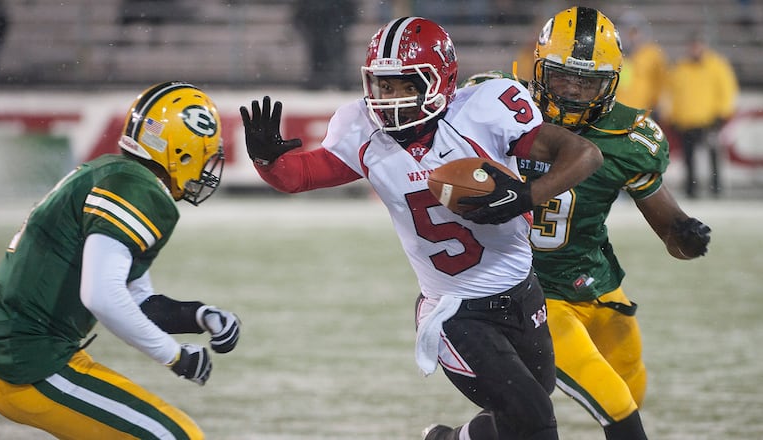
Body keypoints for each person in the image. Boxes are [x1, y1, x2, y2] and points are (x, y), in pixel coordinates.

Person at [240, 16, 603, 440]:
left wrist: (525, 196)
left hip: (522, 292)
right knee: (536, 422)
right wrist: (268, 161)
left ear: (441, 80)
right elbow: (297, 176)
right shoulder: (362, 131)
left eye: (405, 84)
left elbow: (585, 155)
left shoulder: (484, 110)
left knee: (520, 416)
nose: (389, 98)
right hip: (454, 310)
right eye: (383, 84)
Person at [463, 6, 712, 440]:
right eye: (562, 77)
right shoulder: (497, 108)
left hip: (596, 282)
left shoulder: (628, 139)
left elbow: (673, 234)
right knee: (614, 406)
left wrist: (687, 235)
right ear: (539, 70)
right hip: (531, 293)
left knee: (628, 385)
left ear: (611, 82)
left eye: (589, 81)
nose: (575, 91)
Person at [0, 81, 241, 439]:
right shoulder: (136, 189)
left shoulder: (115, 174)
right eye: (205, 156)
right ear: (182, 151)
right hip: (32, 367)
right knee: (177, 437)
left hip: (26, 356)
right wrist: (174, 356)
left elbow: (135, 297)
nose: (207, 169)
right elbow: (101, 296)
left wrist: (199, 315)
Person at [663, 31, 739, 198]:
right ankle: (691, 189)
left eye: (698, 45)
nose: (696, 49)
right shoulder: (681, 67)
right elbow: (672, 94)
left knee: (713, 155)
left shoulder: (717, 65)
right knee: (689, 158)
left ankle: (716, 188)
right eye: (693, 46)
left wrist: (722, 114)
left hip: (709, 120)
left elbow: (727, 90)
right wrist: (672, 116)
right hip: (687, 121)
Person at [292, 0, 357, 90]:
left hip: (334, 30)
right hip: (318, 32)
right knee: (318, 57)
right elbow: (301, 14)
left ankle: (340, 80)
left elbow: (350, 12)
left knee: (337, 58)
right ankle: (318, 80)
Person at [613, 11, 669, 114]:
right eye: (628, 33)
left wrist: (658, 104)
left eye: (634, 33)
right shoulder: (615, 55)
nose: (632, 37)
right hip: (618, 112)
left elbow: (661, 82)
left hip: (643, 112)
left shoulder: (652, 54)